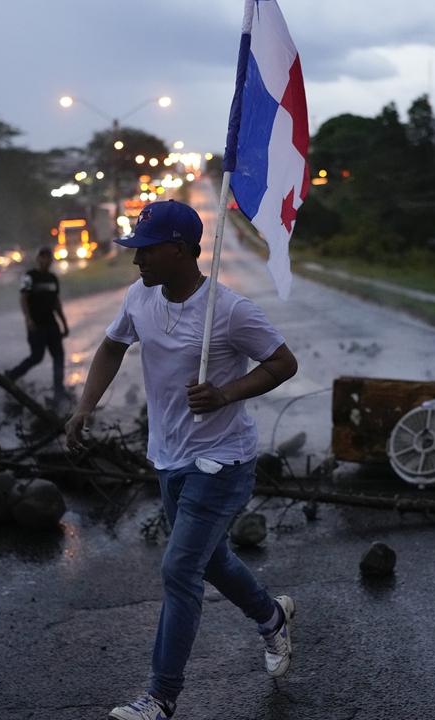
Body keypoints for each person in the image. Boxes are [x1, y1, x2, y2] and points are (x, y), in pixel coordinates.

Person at [64, 200, 299, 720]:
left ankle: (161, 696)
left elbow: (283, 362)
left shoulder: (229, 309)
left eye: (145, 251)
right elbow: (109, 348)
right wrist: (85, 408)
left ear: (180, 250)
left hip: (222, 459)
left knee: (179, 570)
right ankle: (271, 618)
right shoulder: (138, 298)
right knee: (209, 560)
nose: (136, 261)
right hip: (169, 457)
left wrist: (226, 392)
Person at [5, 247, 69, 399]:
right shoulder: (30, 277)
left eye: (49, 258)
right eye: (43, 257)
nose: (46, 261)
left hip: (52, 324)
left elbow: (56, 302)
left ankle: (59, 390)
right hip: (37, 324)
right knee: (37, 356)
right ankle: (12, 375)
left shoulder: (53, 279)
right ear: (38, 259)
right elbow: (24, 299)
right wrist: (28, 319)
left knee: (59, 356)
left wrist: (64, 322)